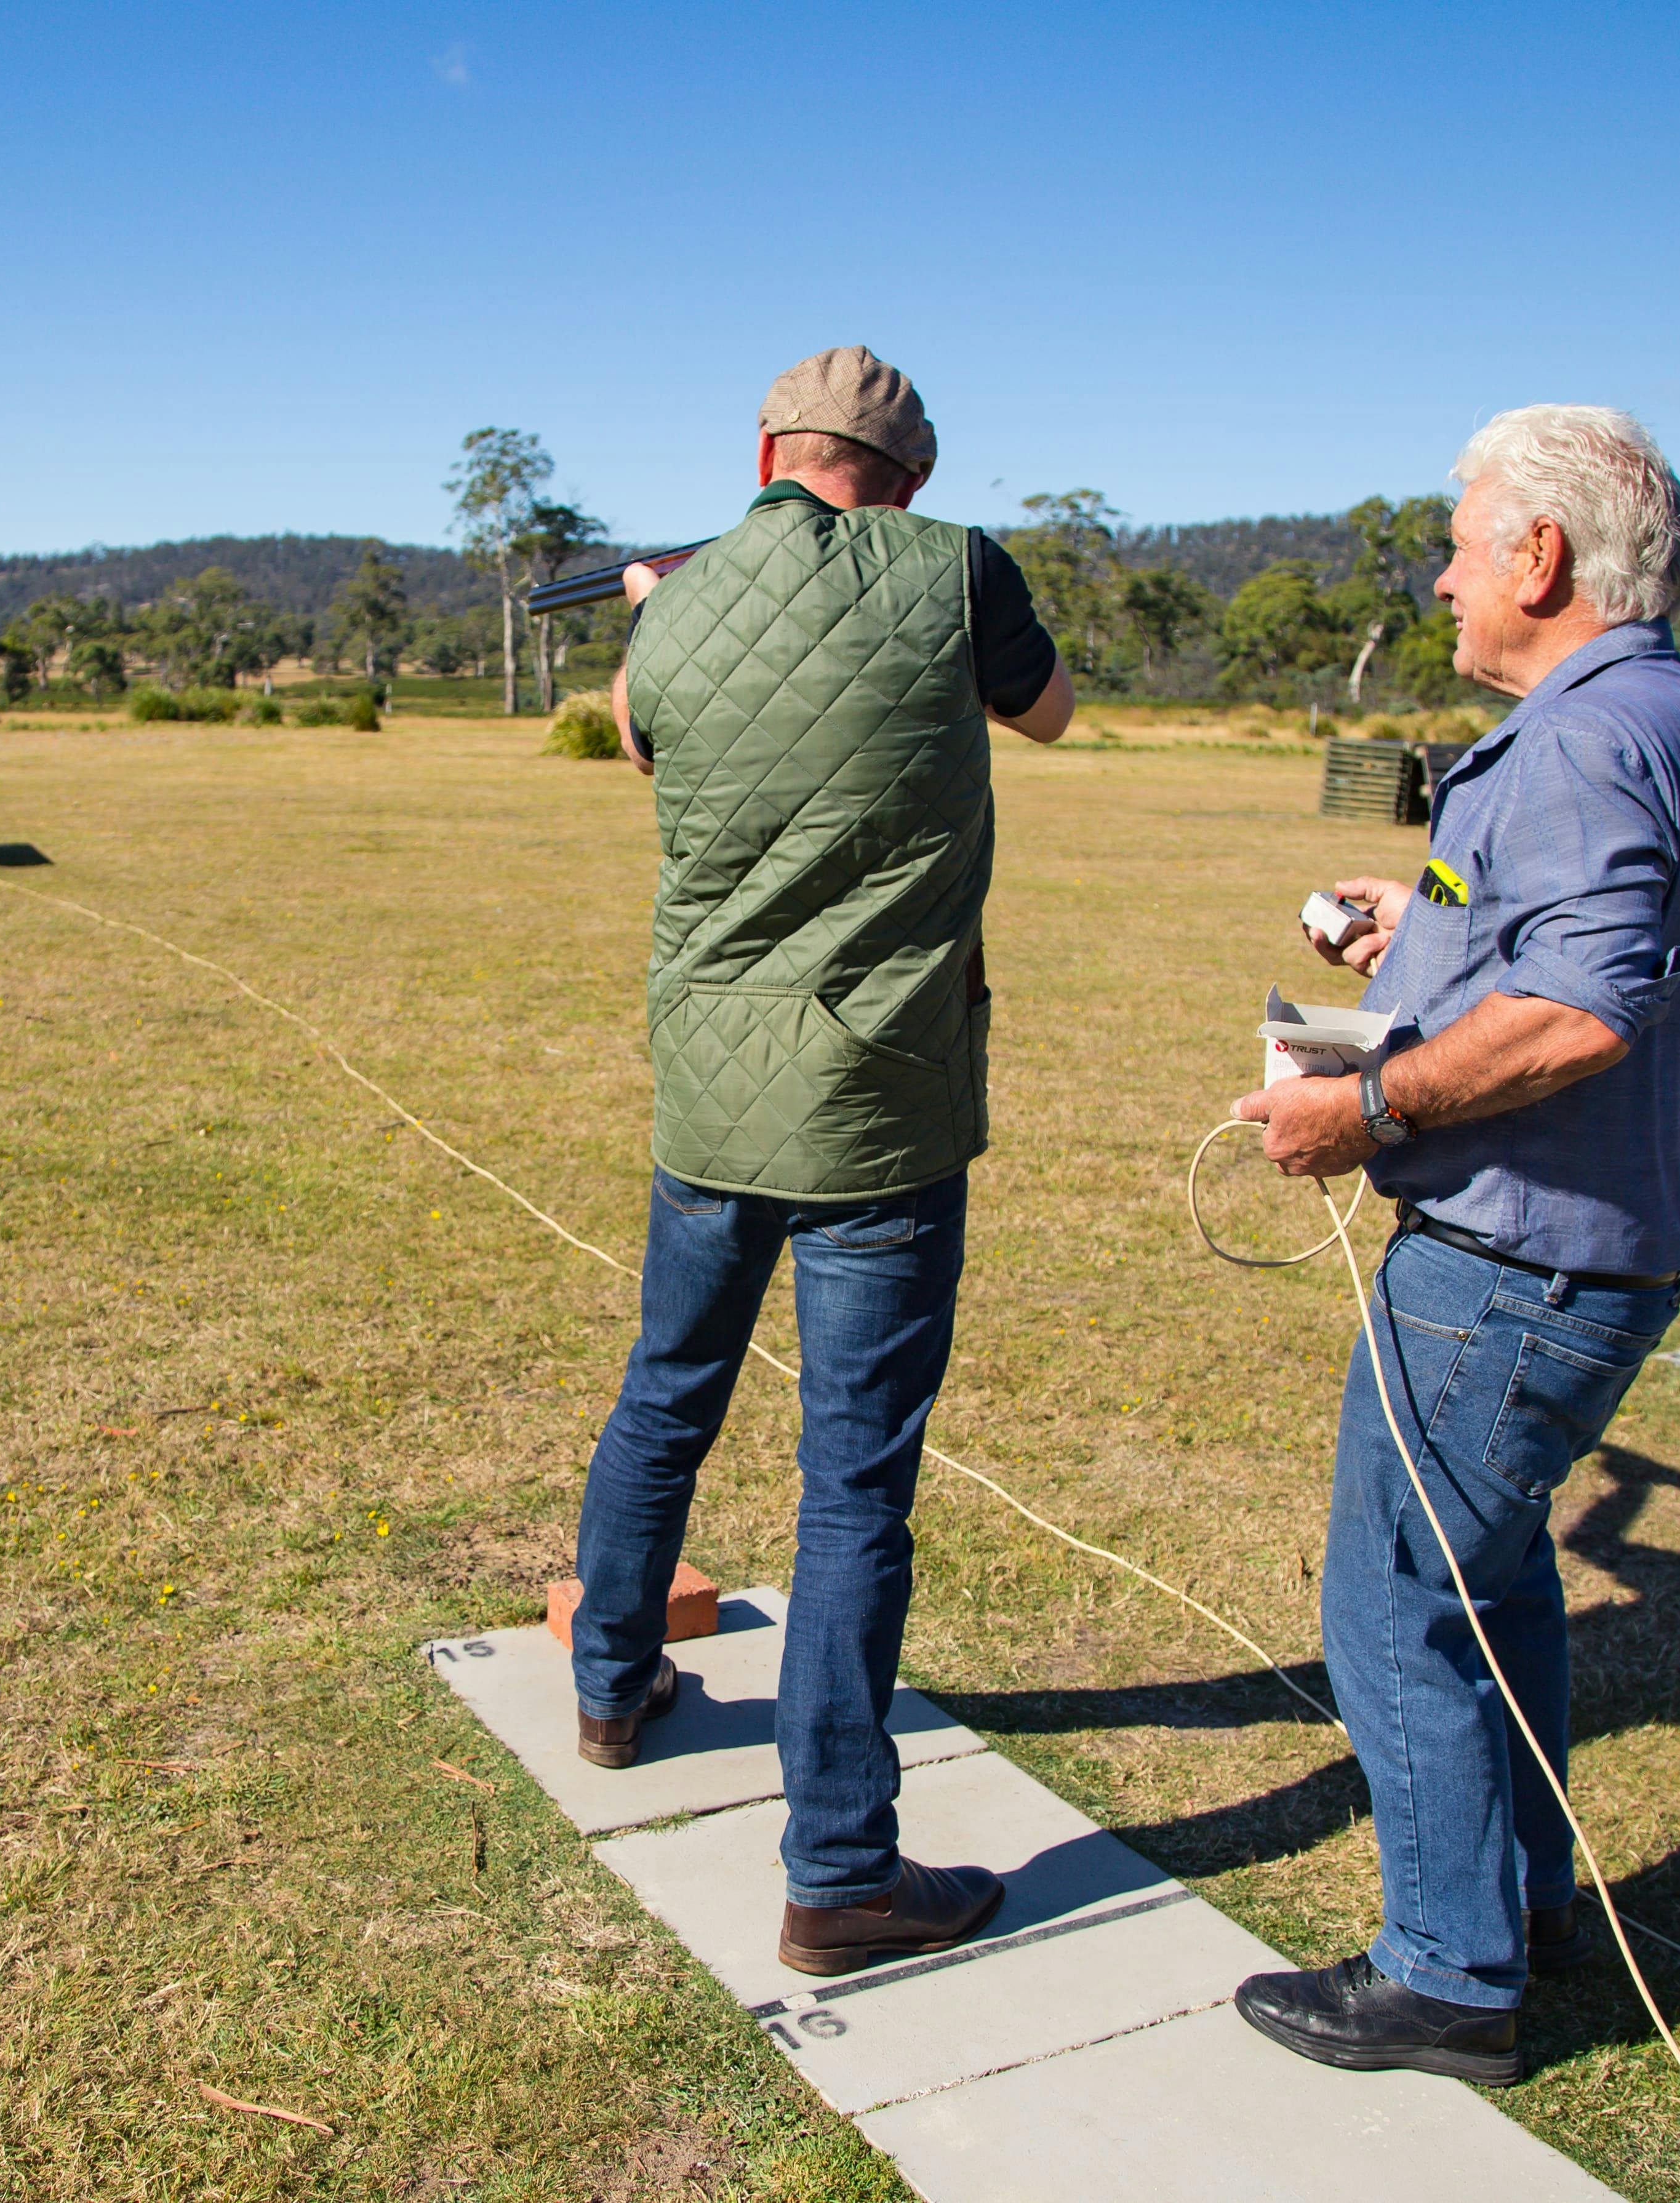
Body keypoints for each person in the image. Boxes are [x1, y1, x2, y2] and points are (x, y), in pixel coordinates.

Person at [1227, 404, 1680, 2081]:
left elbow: (1584, 1010)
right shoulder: (1641, 713)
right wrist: (1416, 929)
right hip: (1569, 1248)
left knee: (1396, 1599)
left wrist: (1361, 1109)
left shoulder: (1588, 735)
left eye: (1461, 543)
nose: (1445, 577)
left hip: (1514, 1261)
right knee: (1489, 1575)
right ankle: (1516, 1905)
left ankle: (1446, 1972)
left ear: (1538, 555)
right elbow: (1560, 947)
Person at [566, 346, 1075, 1977]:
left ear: (767, 449)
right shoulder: (955, 570)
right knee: (851, 1483)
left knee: (667, 1387)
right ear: (905, 474)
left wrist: (671, 601)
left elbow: (646, 748)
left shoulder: (674, 610)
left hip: (710, 1084)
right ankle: (840, 1869)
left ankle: (611, 1683)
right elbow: (1051, 712)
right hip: (880, 1099)